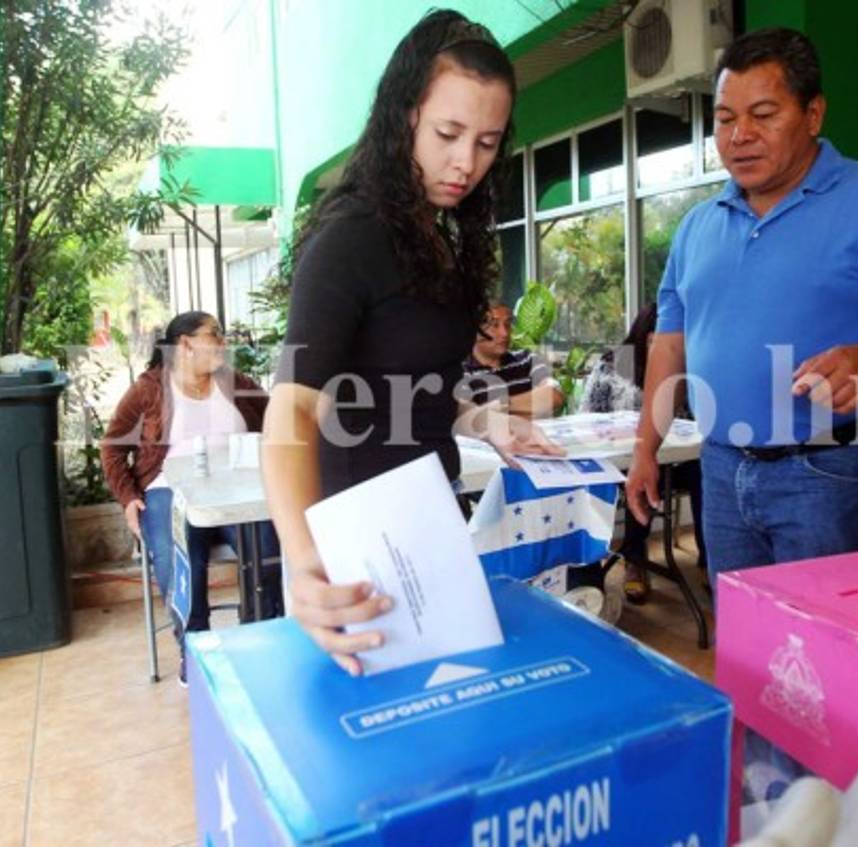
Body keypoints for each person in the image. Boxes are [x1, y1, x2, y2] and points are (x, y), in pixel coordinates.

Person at [261, 10, 561, 676]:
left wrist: (494, 424)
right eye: (447, 134)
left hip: (428, 517)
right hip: (356, 539)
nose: (465, 163)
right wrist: (304, 560)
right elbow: (291, 408)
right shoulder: (352, 236)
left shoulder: (441, 234)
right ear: (404, 117)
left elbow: (418, 388)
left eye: (487, 143)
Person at [626, 28, 858, 587]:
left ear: (813, 114)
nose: (740, 135)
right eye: (724, 118)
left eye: (764, 115)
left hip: (827, 470)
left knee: (821, 629)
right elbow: (671, 342)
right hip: (719, 464)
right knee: (740, 627)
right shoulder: (697, 225)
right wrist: (647, 447)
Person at [101, 311, 281, 684]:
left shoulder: (234, 382)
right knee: (177, 553)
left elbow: (277, 419)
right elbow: (112, 447)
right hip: (170, 488)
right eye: (215, 334)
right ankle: (196, 649)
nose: (223, 342)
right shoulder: (149, 389)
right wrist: (128, 498)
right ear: (185, 344)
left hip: (235, 490)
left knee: (267, 546)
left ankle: (263, 638)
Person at [581, 302, 706, 604]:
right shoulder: (612, 366)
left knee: (705, 471)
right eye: (653, 339)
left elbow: (695, 419)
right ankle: (635, 561)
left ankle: (709, 558)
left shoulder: (687, 367)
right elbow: (586, 417)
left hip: (673, 459)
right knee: (643, 477)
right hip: (618, 461)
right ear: (641, 336)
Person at [463, 301, 565, 418]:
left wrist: (499, 406)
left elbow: (554, 396)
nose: (505, 333)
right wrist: (531, 406)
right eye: (495, 325)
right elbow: (472, 420)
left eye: (507, 324)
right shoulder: (462, 373)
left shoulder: (527, 359)